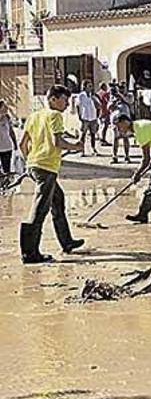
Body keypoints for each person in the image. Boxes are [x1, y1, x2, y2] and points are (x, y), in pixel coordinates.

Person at [18, 85, 85, 264]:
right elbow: (58, 142)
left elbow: (22, 144)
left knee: (58, 201)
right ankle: (30, 253)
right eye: (64, 100)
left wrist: (29, 162)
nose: (66, 104)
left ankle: (67, 242)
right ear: (52, 99)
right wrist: (77, 146)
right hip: (46, 168)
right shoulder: (55, 115)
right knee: (40, 209)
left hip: (35, 166)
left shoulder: (33, 116)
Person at [75, 80, 100, 156]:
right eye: (89, 86)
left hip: (93, 117)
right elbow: (78, 105)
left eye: (91, 86)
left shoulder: (93, 96)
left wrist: (97, 115)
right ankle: (81, 150)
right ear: (85, 87)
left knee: (93, 134)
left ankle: (93, 148)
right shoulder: (81, 96)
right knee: (83, 134)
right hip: (85, 116)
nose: (91, 88)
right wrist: (79, 115)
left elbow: (98, 106)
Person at [109, 88, 133, 164]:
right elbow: (109, 107)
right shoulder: (113, 97)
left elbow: (129, 102)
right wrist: (115, 101)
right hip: (116, 120)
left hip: (125, 119)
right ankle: (114, 156)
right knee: (115, 138)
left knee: (125, 138)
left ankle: (127, 156)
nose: (122, 89)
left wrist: (121, 96)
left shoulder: (129, 95)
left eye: (123, 87)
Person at [0, 101, 17, 174]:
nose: (6, 108)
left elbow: (11, 132)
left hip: (7, 148)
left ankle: (6, 185)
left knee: (7, 171)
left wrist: (15, 143)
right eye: (4, 106)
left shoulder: (7, 117)